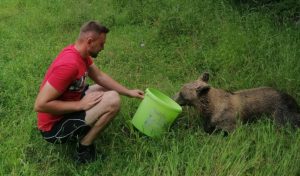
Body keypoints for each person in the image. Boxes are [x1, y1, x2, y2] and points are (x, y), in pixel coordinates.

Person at [34, 20, 144, 164]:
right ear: (90, 41)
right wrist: (80, 105)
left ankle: (83, 139)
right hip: (53, 129)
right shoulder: (69, 65)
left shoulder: (81, 54)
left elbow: (99, 77)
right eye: (101, 44)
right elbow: (40, 105)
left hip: (66, 109)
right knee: (113, 100)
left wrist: (128, 92)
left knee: (106, 89)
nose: (103, 48)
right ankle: (83, 148)